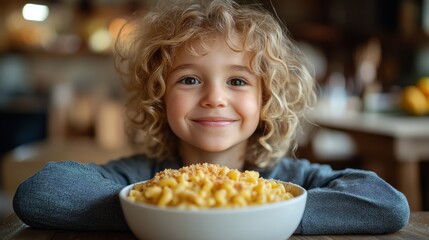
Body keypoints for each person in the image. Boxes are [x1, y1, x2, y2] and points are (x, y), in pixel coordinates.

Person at [13, 0, 409, 235]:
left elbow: (388, 205)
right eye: (189, 79)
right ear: (158, 96)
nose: (215, 98)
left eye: (237, 80)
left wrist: (267, 212)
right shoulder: (140, 178)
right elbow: (40, 193)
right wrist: (154, 212)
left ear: (266, 99)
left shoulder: (292, 181)